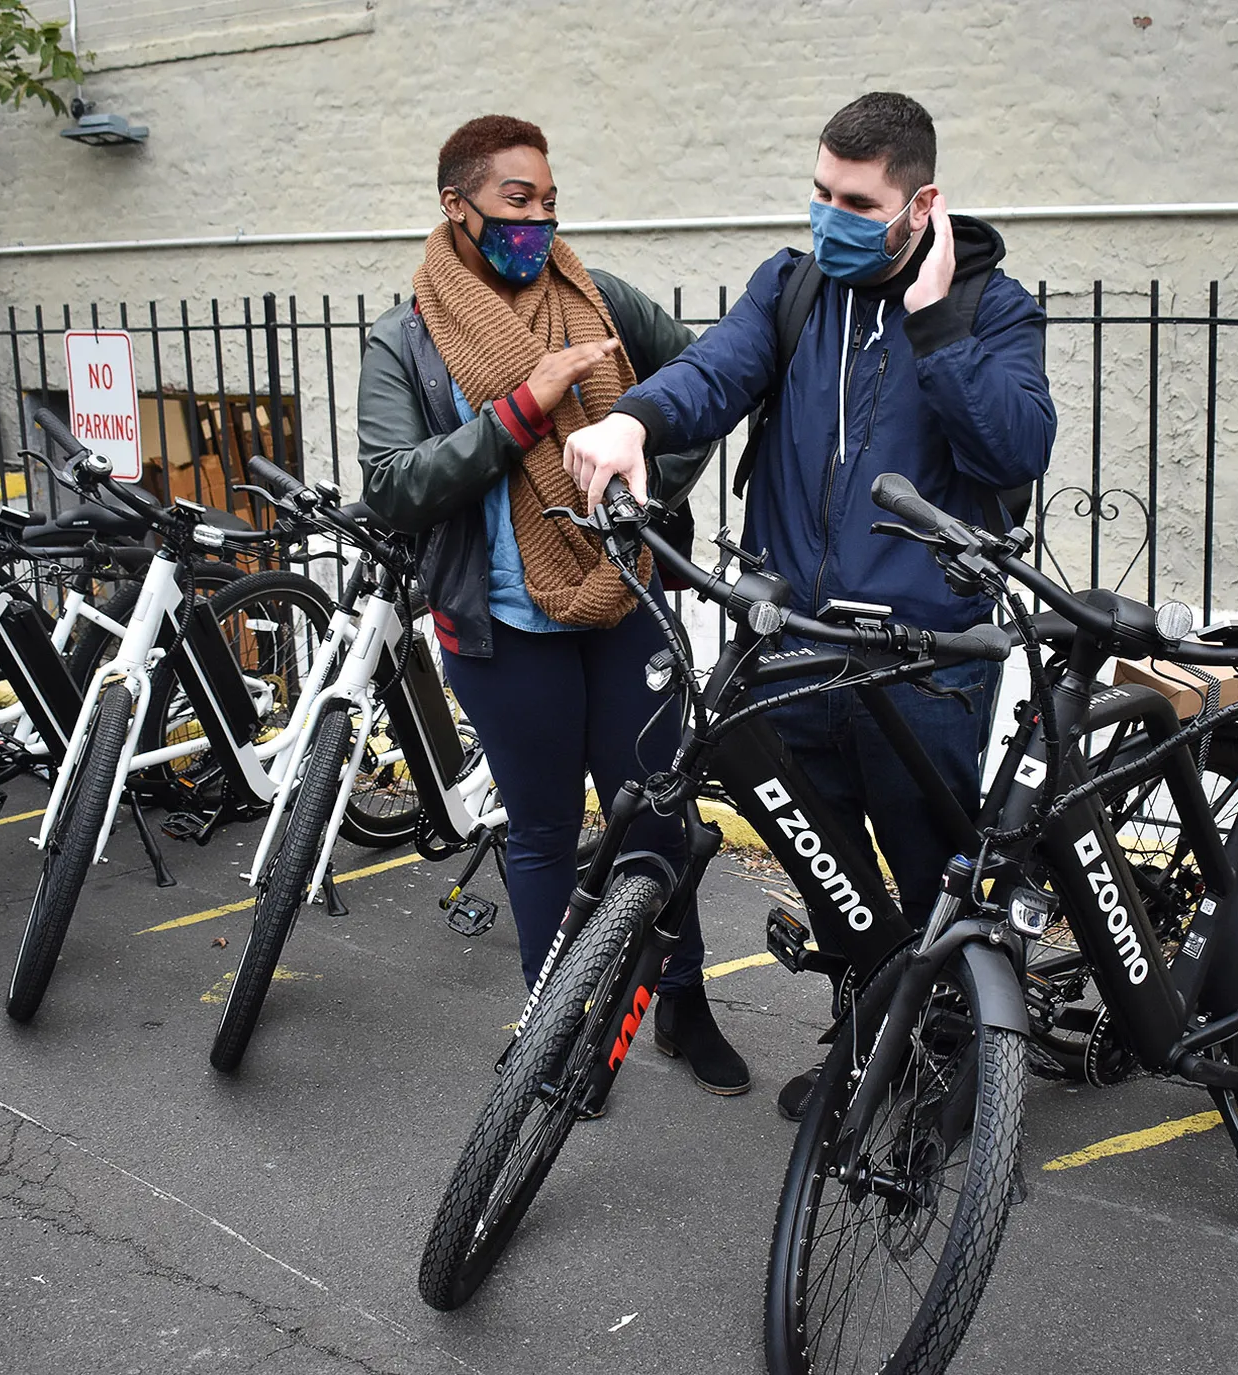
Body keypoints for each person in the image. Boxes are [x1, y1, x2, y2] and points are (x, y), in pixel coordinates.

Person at [562, 92, 1057, 1117]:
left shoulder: (989, 308)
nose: (829, 214)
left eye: (856, 200)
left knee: (930, 887)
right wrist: (632, 424)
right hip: (791, 647)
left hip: (923, 665)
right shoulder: (791, 289)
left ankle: (940, 1081)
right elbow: (713, 371)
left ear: (922, 205)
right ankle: (867, 1036)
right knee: (834, 882)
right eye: (819, 191)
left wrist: (931, 326)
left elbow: (1014, 449)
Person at [358, 115, 749, 1096]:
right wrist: (520, 412)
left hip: (622, 601)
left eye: (548, 200)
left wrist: (655, 487)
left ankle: (683, 1005)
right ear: (459, 207)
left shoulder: (598, 299)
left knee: (659, 819)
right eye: (515, 200)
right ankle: (557, 1027)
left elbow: (696, 387)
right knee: (539, 832)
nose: (537, 219)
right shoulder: (407, 338)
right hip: (500, 629)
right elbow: (393, 485)